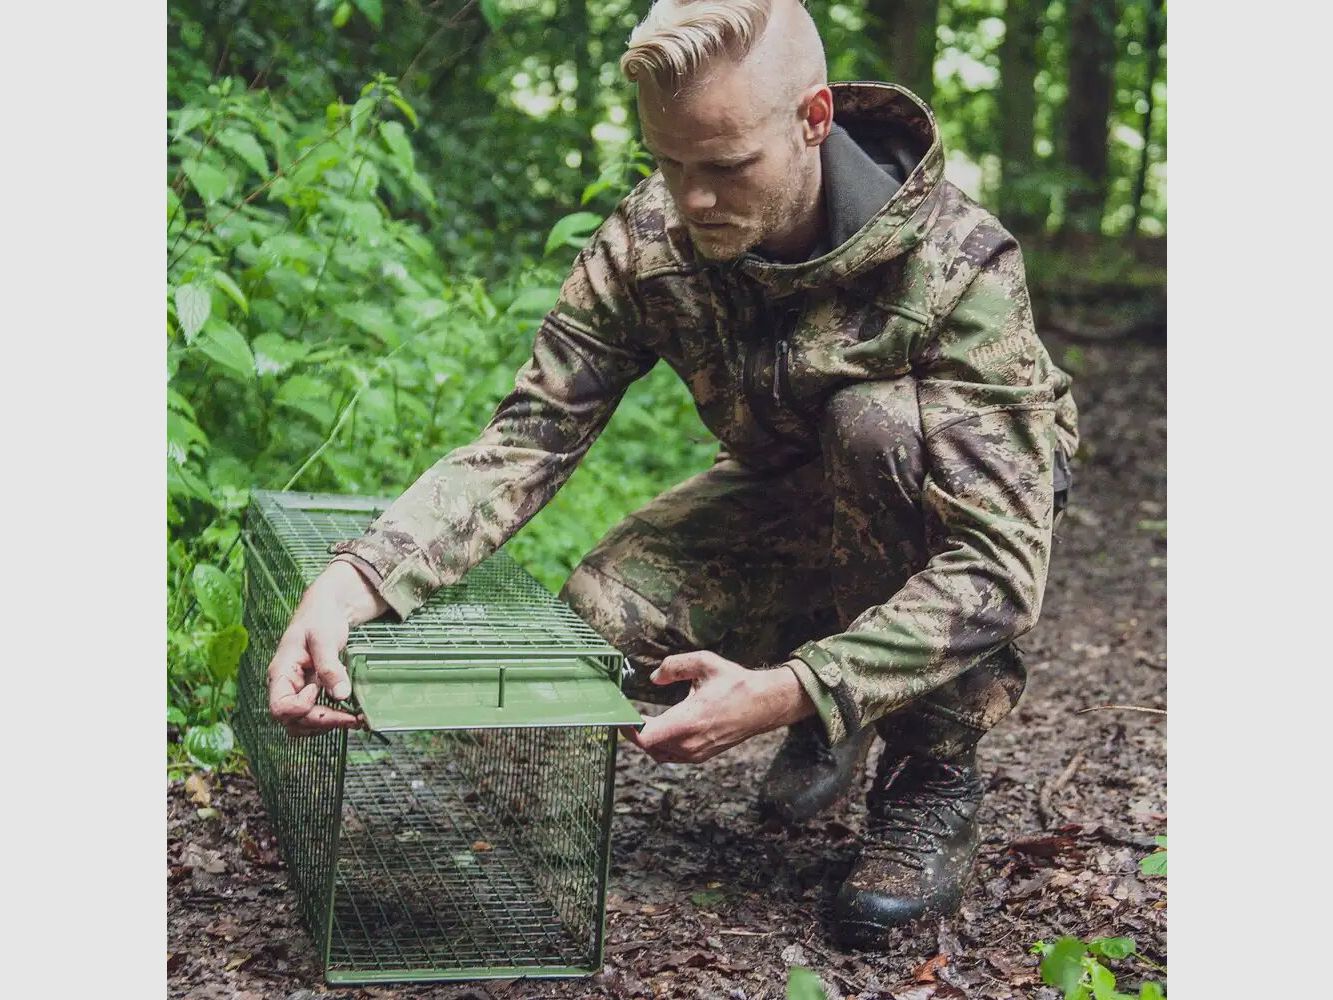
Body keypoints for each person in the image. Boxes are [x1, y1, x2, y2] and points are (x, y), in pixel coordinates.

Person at [267, 0, 1078, 947]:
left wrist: (785, 689)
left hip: (943, 501)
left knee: (874, 429)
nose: (693, 201)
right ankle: (839, 694)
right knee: (604, 623)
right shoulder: (653, 241)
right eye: (669, 163)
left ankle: (924, 769)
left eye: (727, 166)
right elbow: (530, 435)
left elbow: (998, 566)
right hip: (787, 493)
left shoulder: (958, 263)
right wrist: (355, 579)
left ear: (813, 119)